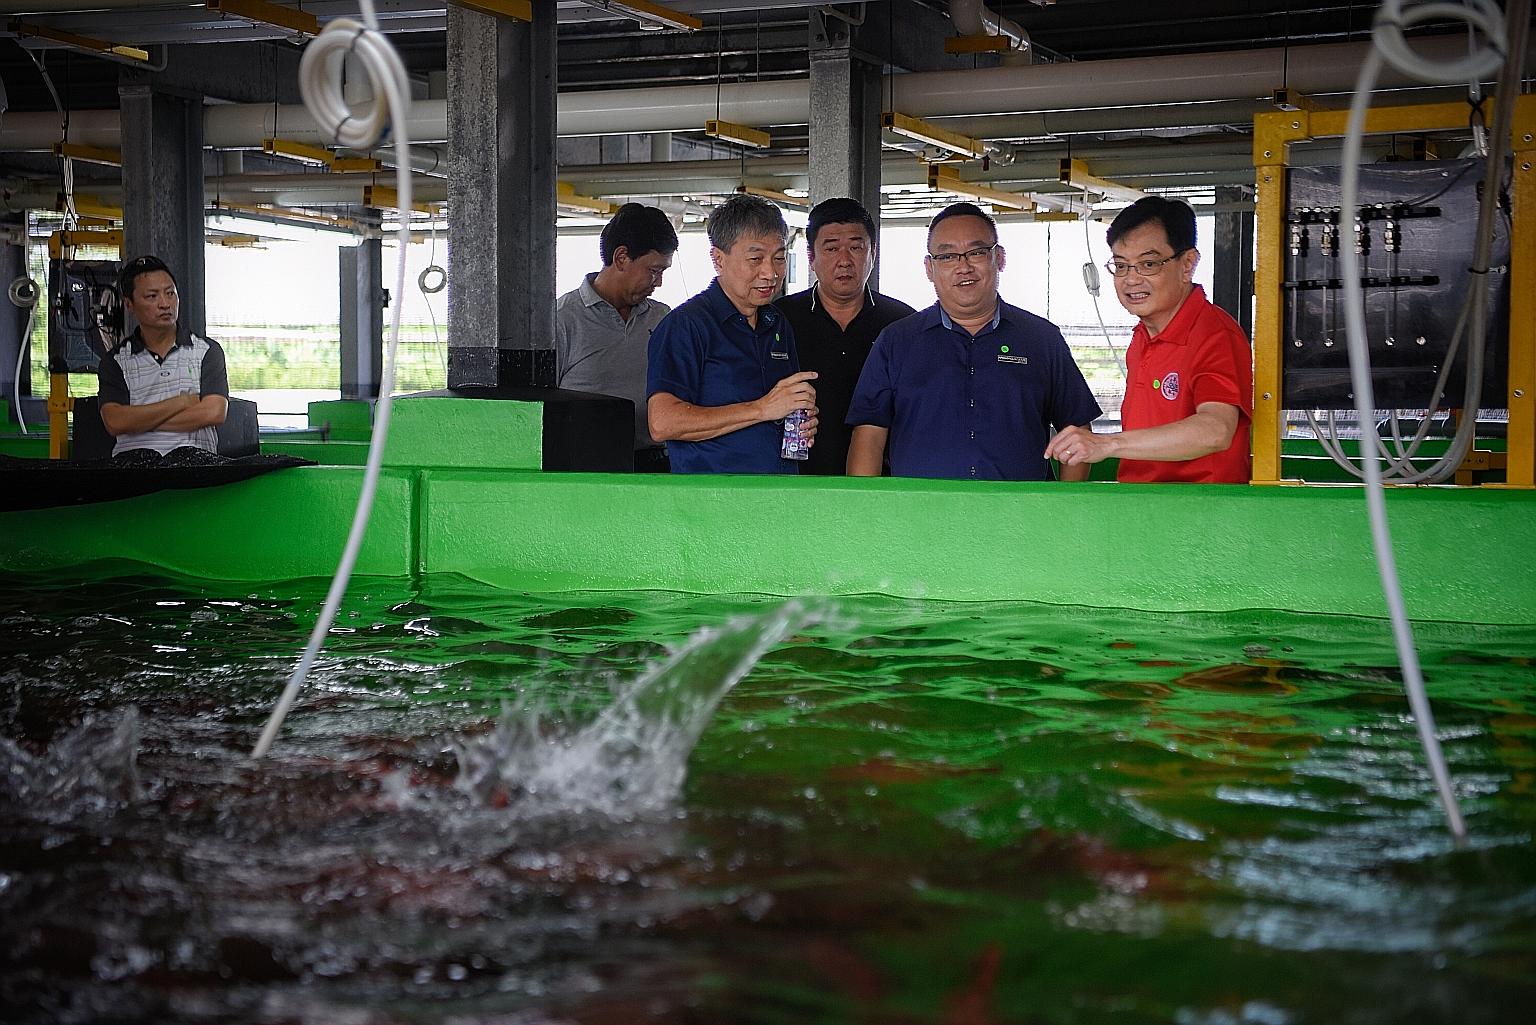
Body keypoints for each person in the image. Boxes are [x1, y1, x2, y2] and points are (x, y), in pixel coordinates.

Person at [846, 202, 1101, 481]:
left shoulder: (1042, 339)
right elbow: (869, 436)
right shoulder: (896, 342)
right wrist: (866, 515)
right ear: (929, 268)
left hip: (1023, 518)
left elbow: (1076, 429)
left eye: (977, 252)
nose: (963, 266)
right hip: (918, 517)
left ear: (999, 258)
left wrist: (1062, 509)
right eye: (947, 257)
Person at [1044, 196, 1252, 483]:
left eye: (1148, 264)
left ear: (1188, 263)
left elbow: (1215, 430)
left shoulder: (1215, 334)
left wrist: (1108, 443)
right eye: (1120, 266)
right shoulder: (1142, 336)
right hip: (1143, 510)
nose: (1131, 279)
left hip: (1202, 516)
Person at [646, 193, 817, 474]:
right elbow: (663, 422)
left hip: (781, 497)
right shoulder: (686, 326)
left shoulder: (776, 322)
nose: (770, 273)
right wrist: (762, 409)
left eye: (779, 258)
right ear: (718, 260)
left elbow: (782, 406)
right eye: (755, 259)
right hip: (714, 505)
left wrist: (797, 420)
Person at [775, 197, 914, 475]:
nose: (844, 260)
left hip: (881, 484)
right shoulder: (779, 319)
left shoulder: (903, 323)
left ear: (872, 254)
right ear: (811, 258)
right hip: (795, 480)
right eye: (832, 248)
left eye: (856, 247)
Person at [555, 203, 678, 471]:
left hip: (655, 464)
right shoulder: (561, 321)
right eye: (654, 271)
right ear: (621, 257)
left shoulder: (663, 319)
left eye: (663, 272)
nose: (658, 283)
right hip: (584, 467)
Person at [97, 255, 229, 457]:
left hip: (195, 469)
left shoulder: (207, 351)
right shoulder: (115, 361)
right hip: (133, 470)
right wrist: (182, 402)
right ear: (129, 304)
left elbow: (214, 412)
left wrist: (137, 421)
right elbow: (115, 422)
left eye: (170, 293)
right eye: (152, 296)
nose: (165, 304)